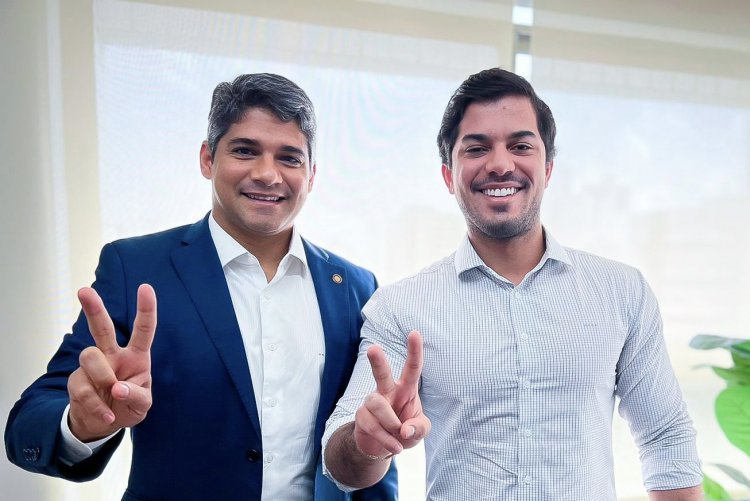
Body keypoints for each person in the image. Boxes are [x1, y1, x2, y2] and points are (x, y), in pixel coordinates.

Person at [5, 73, 397, 500]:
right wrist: (81, 424)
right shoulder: (136, 268)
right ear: (208, 159)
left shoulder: (355, 286)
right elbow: (32, 419)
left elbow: (373, 433)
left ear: (312, 174)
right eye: (245, 150)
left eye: (289, 158)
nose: (267, 174)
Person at [322, 68, 703, 500]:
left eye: (520, 146)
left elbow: (666, 438)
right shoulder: (400, 306)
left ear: (548, 168)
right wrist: (366, 444)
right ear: (448, 175)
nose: (501, 165)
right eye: (477, 148)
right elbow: (342, 466)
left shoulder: (622, 291)